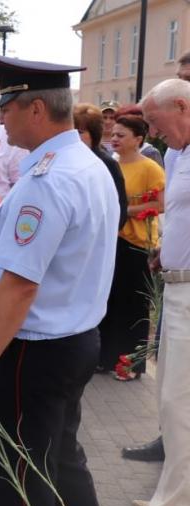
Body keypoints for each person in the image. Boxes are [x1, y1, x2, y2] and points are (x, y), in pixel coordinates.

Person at [0, 53, 117, 506]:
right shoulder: (86, 165)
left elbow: (20, 286)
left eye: (7, 107)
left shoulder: (49, 180)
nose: (1, 118)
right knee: (61, 461)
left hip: (33, 349)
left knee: (20, 471)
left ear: (37, 109)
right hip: (74, 339)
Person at [115, 78, 190, 506]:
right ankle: (176, 498)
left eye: (155, 121)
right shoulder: (180, 154)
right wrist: (168, 249)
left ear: (181, 105)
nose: (153, 131)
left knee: (180, 407)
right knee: (171, 403)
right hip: (177, 286)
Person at [98, 110, 165, 381]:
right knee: (109, 301)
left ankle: (130, 364)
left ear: (138, 139)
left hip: (136, 244)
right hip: (111, 240)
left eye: (121, 135)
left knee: (133, 306)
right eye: (113, 134)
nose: (114, 139)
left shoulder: (150, 168)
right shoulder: (110, 164)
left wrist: (126, 210)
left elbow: (161, 203)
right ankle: (104, 358)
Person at [73, 103, 129, 231]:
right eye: (72, 131)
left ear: (94, 134)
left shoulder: (107, 163)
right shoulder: (64, 160)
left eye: (80, 132)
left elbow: (120, 210)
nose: (75, 136)